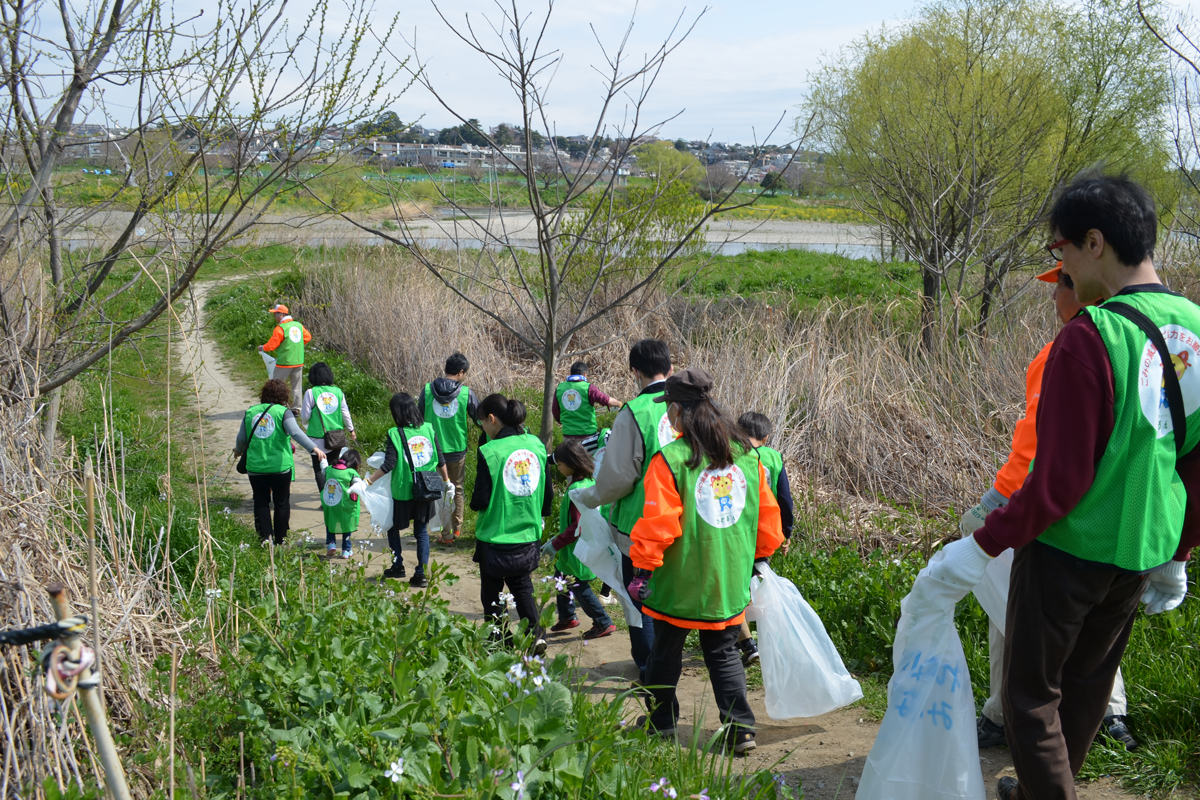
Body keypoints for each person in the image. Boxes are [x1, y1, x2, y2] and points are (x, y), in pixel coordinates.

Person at [927, 174, 1199, 800]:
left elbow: (1058, 484)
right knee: (1085, 689)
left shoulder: (1091, 336)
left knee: (1028, 698)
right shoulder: (1194, 329)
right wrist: (1178, 549)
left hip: (1069, 548)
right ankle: (1038, 791)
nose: (1064, 267)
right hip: (1139, 549)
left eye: (1062, 251)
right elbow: (1195, 460)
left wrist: (984, 541)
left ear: (1094, 242)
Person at [962, 265, 1138, 752]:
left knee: (1015, 603)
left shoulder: (1068, 349)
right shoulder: (1137, 345)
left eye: (1059, 285)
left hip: (1033, 505)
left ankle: (1014, 715)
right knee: (1083, 610)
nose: (1053, 298)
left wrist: (996, 509)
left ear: (1080, 287)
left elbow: (1039, 448)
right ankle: (1102, 711)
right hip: (1106, 512)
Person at [628, 368, 784, 755]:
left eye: (669, 410)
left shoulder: (671, 460)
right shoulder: (748, 456)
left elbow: (657, 523)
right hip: (727, 579)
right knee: (723, 653)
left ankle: (661, 722)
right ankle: (741, 730)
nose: (667, 416)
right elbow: (768, 516)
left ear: (678, 411)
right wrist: (759, 557)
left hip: (678, 582)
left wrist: (642, 569)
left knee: (665, 653)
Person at [574, 338, 677, 683]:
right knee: (673, 595)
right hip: (685, 522)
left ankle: (651, 669)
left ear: (634, 371)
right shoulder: (692, 409)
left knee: (640, 600)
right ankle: (670, 665)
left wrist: (589, 498)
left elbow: (616, 479)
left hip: (640, 526)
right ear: (671, 368)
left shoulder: (633, 413)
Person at [470, 393, 552, 653]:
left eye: (482, 422)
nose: (482, 427)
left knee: (492, 593)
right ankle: (536, 635)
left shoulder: (490, 451)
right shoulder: (536, 445)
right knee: (522, 585)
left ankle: (498, 641)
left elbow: (480, 499)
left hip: (495, 535)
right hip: (528, 531)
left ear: (492, 419)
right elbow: (547, 492)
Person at [364, 393, 452, 588]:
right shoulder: (428, 429)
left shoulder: (395, 433)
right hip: (426, 489)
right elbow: (440, 457)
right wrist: (447, 481)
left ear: (397, 412)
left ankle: (398, 565)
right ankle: (421, 574)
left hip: (403, 491)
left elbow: (389, 464)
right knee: (421, 530)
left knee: (393, 528)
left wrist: (368, 482)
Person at [733, 411, 796, 668]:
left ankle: (747, 644)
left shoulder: (731, 455)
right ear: (767, 437)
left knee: (735, 588)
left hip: (736, 532)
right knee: (756, 584)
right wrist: (786, 533)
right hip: (765, 533)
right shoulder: (773, 457)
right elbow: (785, 500)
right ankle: (770, 641)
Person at [232, 378, 325, 545]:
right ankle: (281, 538)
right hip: (280, 467)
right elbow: (296, 433)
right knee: (281, 502)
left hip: (256, 467)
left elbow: (242, 438)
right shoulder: (283, 413)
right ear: (283, 396)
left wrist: (238, 451)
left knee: (260, 501)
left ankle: (265, 539)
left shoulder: (251, 412)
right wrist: (314, 448)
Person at [541, 440, 617, 640]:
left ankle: (603, 622)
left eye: (560, 464)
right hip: (579, 547)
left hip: (577, 549)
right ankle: (567, 616)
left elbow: (577, 526)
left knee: (579, 586)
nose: (558, 467)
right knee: (560, 578)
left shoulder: (577, 491)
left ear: (571, 464)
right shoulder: (589, 483)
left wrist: (556, 543)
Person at [418, 353, 480, 545]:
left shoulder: (427, 390)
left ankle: (444, 534)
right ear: (460, 372)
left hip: (432, 451)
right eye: (465, 373)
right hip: (457, 449)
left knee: (437, 490)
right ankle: (457, 530)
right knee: (457, 489)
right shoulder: (466, 393)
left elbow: (418, 418)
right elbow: (480, 419)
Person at [301, 362, 356, 490]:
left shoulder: (310, 393)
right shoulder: (338, 392)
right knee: (333, 467)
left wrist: (308, 423)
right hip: (336, 437)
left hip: (316, 438)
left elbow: (304, 416)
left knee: (319, 469)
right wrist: (351, 430)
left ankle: (324, 497)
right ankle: (334, 496)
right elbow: (345, 413)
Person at [258, 303, 311, 417]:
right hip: (298, 361)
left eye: (275, 314)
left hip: (284, 362)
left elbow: (272, 345)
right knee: (296, 386)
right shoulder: (298, 325)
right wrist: (297, 344)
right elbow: (308, 337)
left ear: (281, 314)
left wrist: (263, 348)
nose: (274, 317)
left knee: (276, 385)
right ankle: (296, 409)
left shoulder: (280, 328)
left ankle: (277, 406)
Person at [552, 361, 622, 443]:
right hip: (588, 436)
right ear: (585, 374)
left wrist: (564, 421)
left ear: (571, 373)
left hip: (568, 436)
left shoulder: (560, 388)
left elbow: (555, 411)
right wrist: (620, 404)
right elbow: (606, 400)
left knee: (570, 456)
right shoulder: (589, 388)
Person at [318, 447, 362, 559]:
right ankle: (346, 550)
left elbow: (323, 468)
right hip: (345, 505)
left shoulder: (330, 469)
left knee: (330, 522)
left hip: (331, 503)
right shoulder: (351, 473)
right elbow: (359, 484)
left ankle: (331, 544)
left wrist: (323, 459)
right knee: (346, 525)